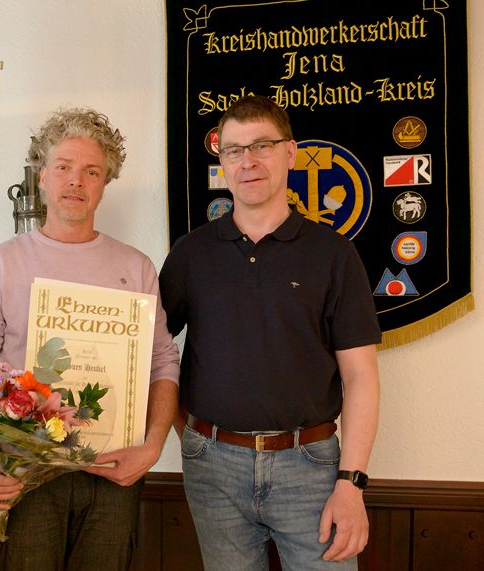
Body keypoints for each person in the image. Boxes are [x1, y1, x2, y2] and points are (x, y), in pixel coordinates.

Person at [159, 95, 381, 570]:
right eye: (235, 149)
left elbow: (361, 376)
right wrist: (190, 435)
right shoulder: (191, 253)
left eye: (262, 145)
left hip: (313, 468)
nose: (249, 161)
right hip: (212, 469)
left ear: (291, 153)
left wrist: (352, 482)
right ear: (222, 161)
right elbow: (153, 353)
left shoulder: (333, 253)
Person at [0, 107, 180, 571]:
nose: (76, 182)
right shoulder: (1, 263)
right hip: (26, 472)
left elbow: (162, 363)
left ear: (105, 183)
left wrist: (154, 445)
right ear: (42, 176)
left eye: (91, 171)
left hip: (114, 472)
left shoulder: (136, 267)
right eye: (64, 167)